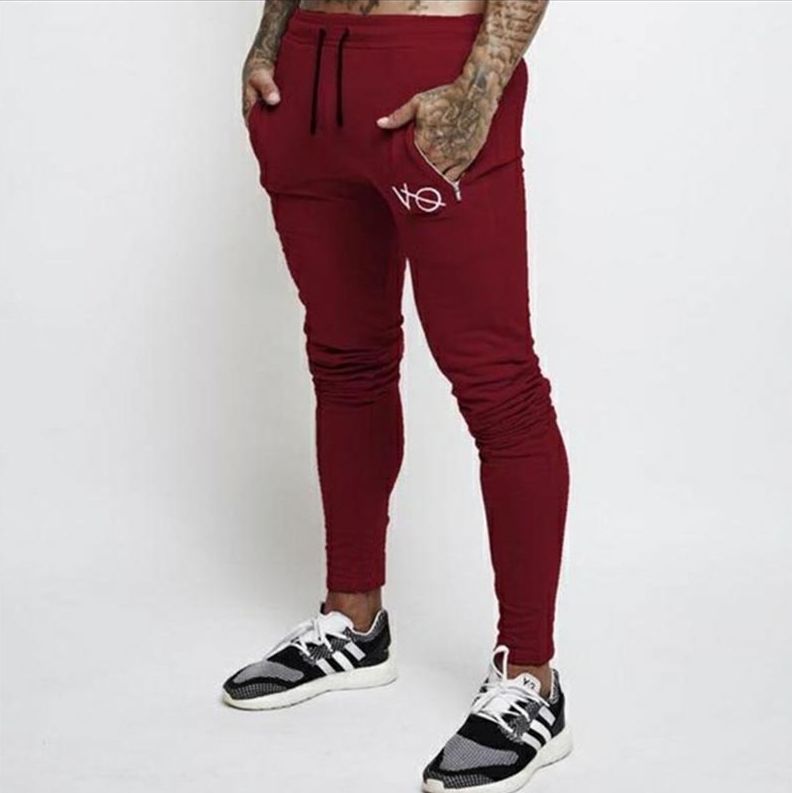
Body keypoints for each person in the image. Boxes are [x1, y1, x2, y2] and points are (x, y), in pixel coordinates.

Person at [223, 1, 571, 790]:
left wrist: (478, 90)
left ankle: (531, 677)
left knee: (499, 385)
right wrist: (268, 44)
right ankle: (353, 623)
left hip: (433, 67)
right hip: (306, 85)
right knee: (345, 359)